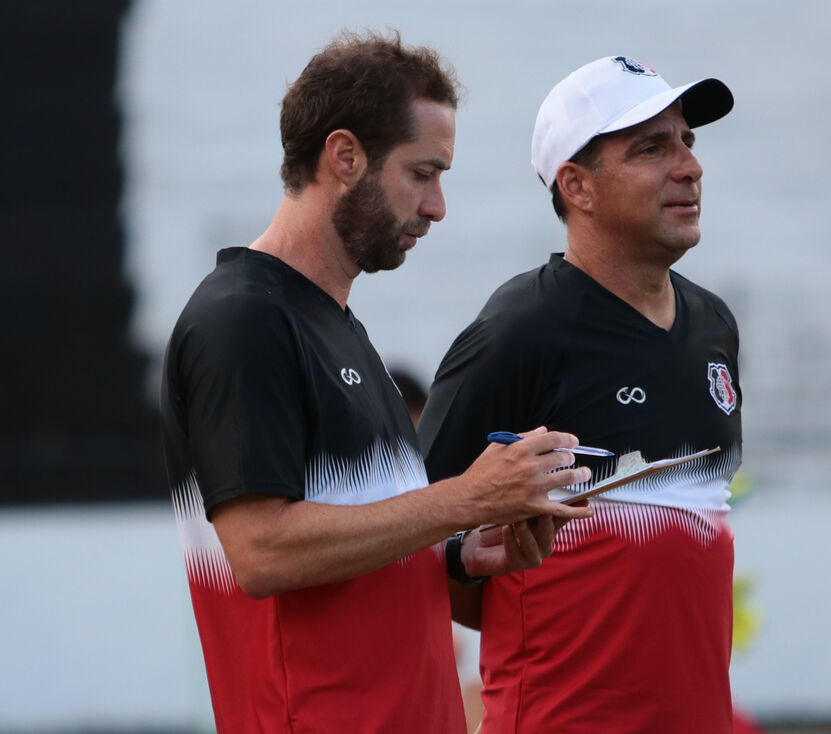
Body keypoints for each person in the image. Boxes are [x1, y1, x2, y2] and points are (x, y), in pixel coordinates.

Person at [160, 31, 592, 734]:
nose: (437, 206)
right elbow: (261, 552)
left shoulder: (337, 326)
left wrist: (457, 552)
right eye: (422, 173)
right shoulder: (242, 317)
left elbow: (357, 538)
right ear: (345, 156)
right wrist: (462, 499)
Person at [419, 54, 742, 732]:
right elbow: (407, 534)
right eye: (651, 148)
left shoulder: (714, 327)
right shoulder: (520, 329)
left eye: (688, 141)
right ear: (578, 186)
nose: (689, 166)